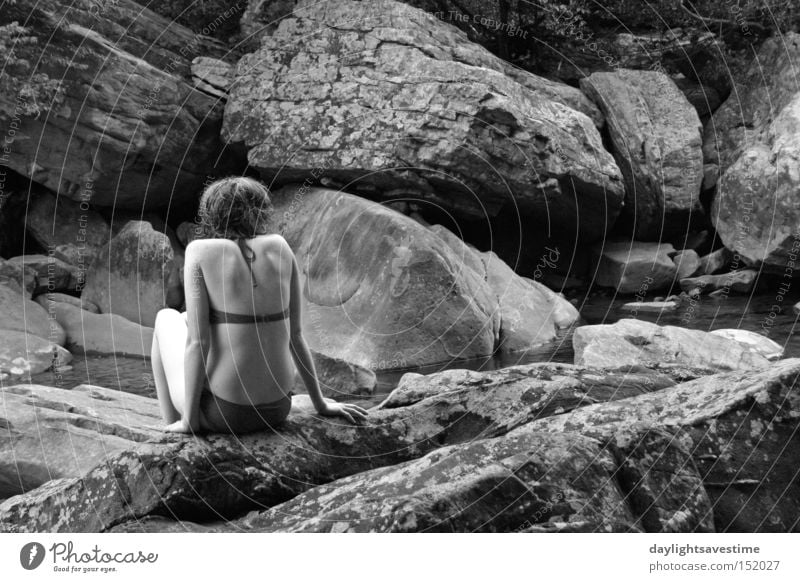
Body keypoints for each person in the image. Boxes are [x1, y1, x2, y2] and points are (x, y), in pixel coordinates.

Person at [151, 176, 368, 434]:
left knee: (166, 317)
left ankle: (179, 424)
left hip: (226, 413)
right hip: (277, 409)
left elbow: (198, 343)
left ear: (213, 214)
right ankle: (185, 420)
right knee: (186, 318)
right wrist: (320, 404)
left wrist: (191, 419)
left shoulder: (200, 251)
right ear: (261, 211)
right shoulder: (280, 246)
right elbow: (296, 336)